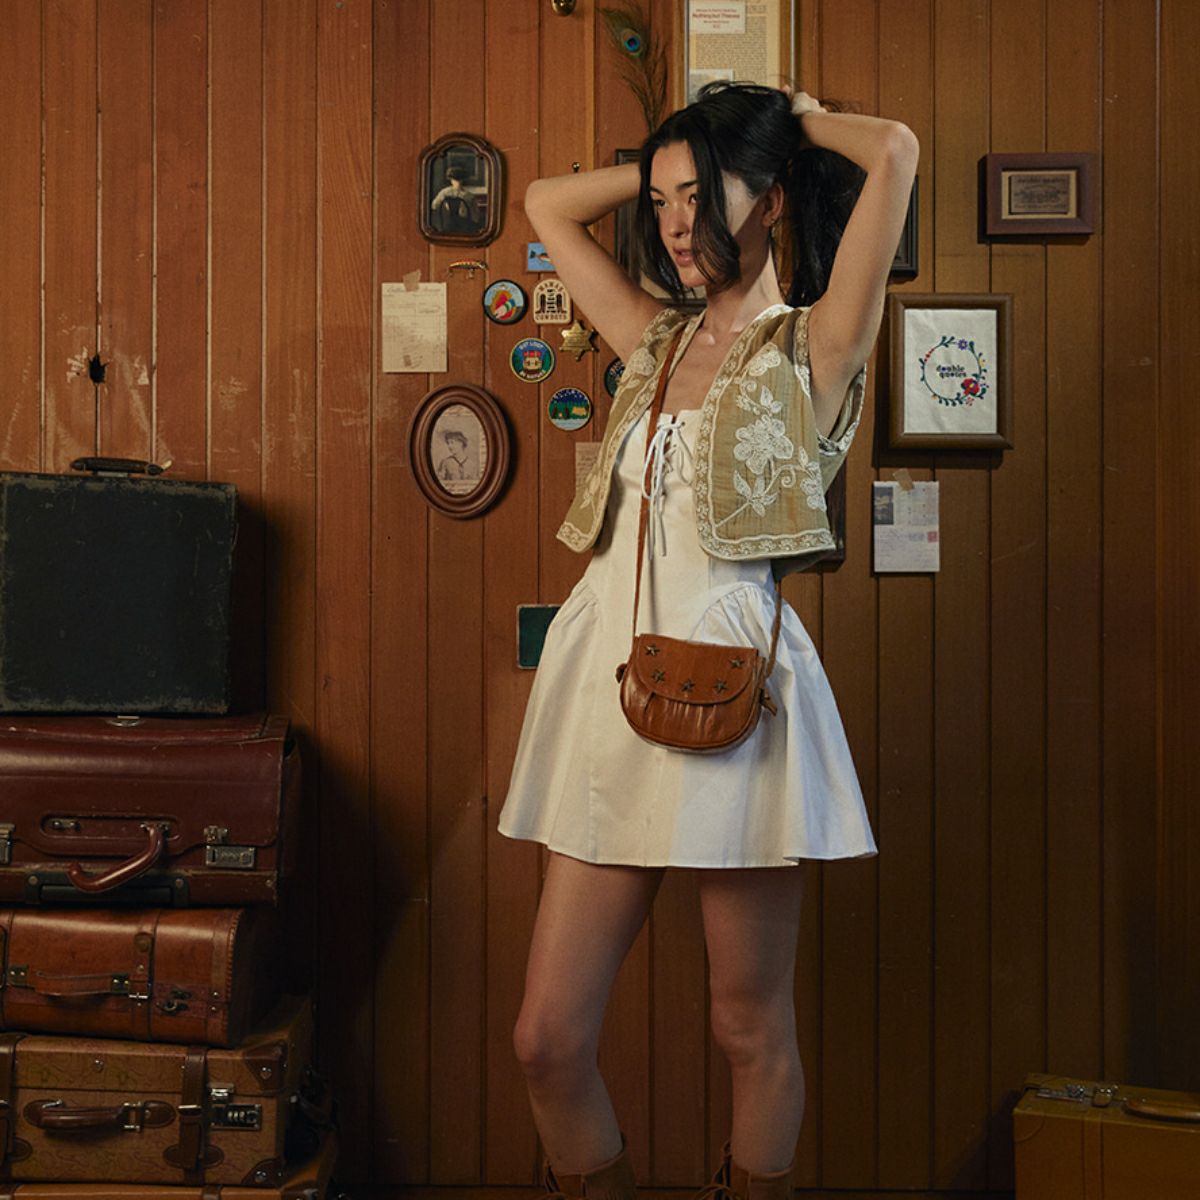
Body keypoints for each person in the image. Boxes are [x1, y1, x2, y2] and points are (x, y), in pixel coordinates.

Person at [498, 82, 917, 1200]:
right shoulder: (653, 336)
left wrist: (788, 122)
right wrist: (675, 157)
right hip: (611, 677)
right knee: (546, 1038)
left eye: (703, 197)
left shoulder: (817, 341)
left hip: (737, 691)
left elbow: (895, 149)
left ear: (770, 200)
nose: (676, 225)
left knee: (747, 1025)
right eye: (661, 201)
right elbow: (542, 204)